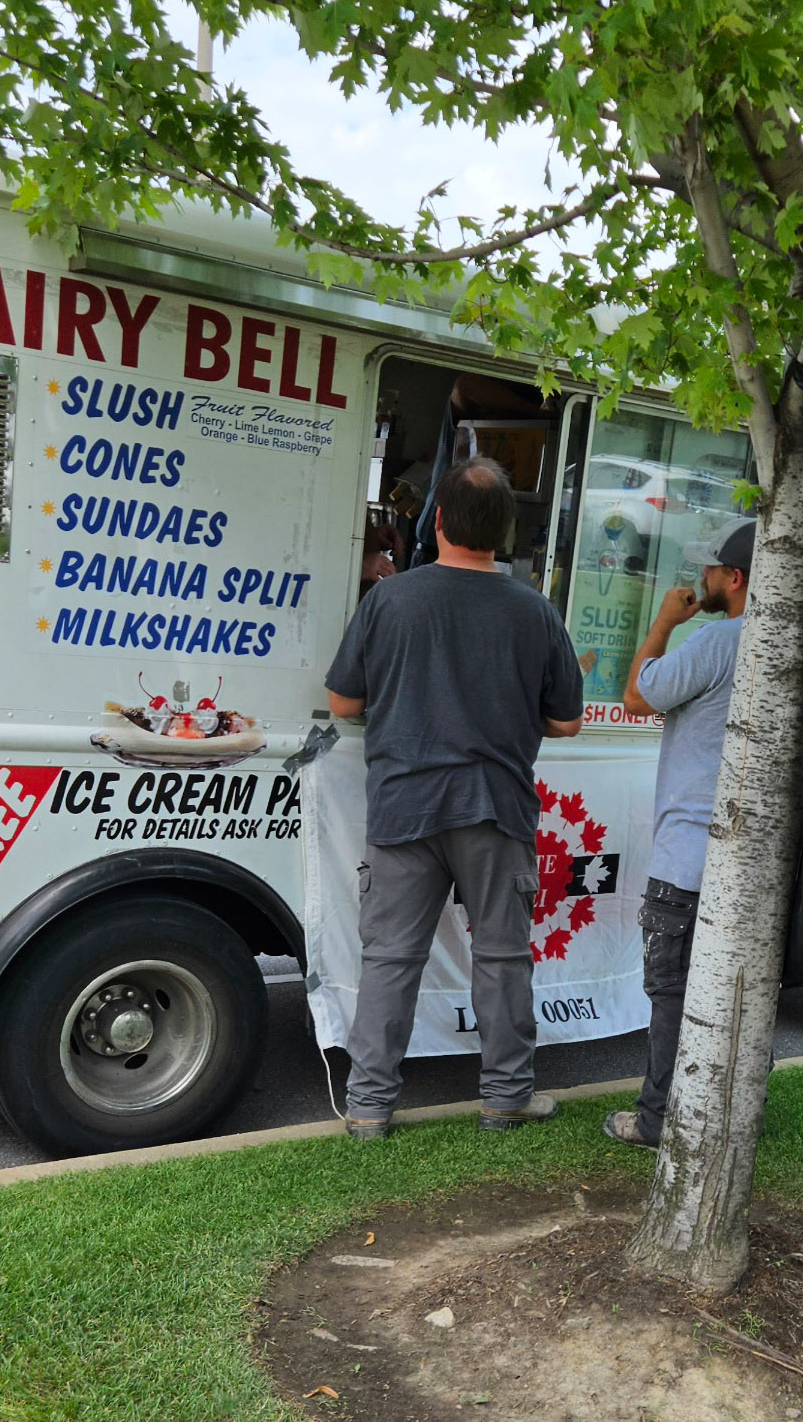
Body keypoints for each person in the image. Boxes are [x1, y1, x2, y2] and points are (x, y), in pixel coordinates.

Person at [324, 458, 586, 1138]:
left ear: (437, 520)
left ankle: (369, 1106)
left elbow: (343, 700)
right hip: (495, 807)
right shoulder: (535, 611)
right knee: (501, 958)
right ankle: (506, 1098)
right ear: (504, 531)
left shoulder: (390, 600)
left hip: (403, 805)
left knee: (390, 959)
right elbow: (566, 721)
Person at [599, 515, 753, 1150]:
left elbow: (637, 697)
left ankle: (657, 1118)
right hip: (754, 861)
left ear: (735, 578)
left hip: (688, 855)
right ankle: (736, 1112)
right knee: (742, 994)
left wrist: (663, 623)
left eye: (709, 567)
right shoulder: (795, 644)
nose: (701, 577)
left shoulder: (717, 641)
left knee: (670, 991)